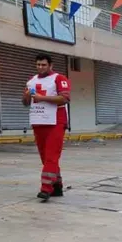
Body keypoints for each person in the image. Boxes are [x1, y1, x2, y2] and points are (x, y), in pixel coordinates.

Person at [22, 54, 71, 202]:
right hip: (38, 121)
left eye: (43, 65)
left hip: (56, 121)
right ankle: (57, 186)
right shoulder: (31, 81)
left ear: (50, 65)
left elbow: (65, 98)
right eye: (38, 64)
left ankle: (46, 189)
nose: (40, 67)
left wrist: (42, 98)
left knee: (51, 156)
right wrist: (27, 96)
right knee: (45, 157)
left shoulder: (59, 78)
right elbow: (25, 103)